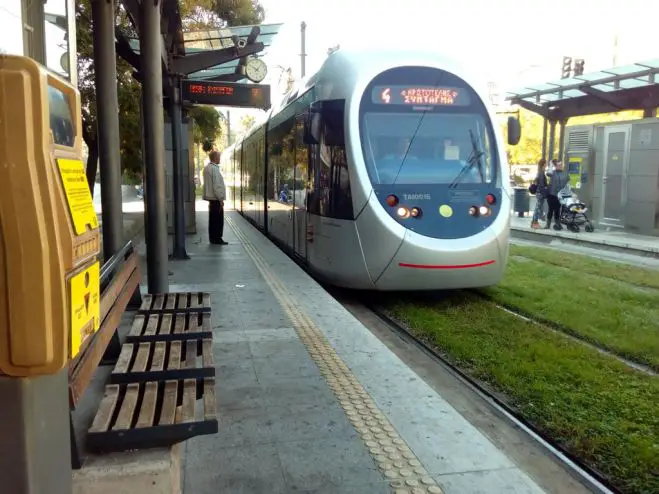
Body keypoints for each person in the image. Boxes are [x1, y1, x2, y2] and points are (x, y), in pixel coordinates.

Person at [202, 150, 228, 245]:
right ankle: (217, 238)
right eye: (218, 157)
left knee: (212, 220)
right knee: (218, 220)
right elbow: (217, 185)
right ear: (215, 158)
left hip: (211, 198)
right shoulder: (214, 169)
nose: (220, 158)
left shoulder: (207, 168)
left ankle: (212, 238)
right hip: (216, 199)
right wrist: (220, 198)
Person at [545, 159, 569, 230]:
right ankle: (548, 224)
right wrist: (551, 164)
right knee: (550, 210)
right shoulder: (553, 173)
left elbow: (567, 183)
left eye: (561, 165)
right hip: (551, 195)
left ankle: (557, 223)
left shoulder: (564, 174)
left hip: (559, 196)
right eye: (558, 165)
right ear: (556, 166)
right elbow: (548, 173)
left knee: (557, 210)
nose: (560, 166)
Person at [530, 158, 548, 229]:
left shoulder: (540, 172)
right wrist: (545, 190)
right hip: (540, 193)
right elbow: (541, 185)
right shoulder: (541, 173)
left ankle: (534, 222)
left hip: (539, 193)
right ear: (543, 164)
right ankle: (535, 223)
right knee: (537, 209)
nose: (546, 165)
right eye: (546, 163)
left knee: (537, 208)